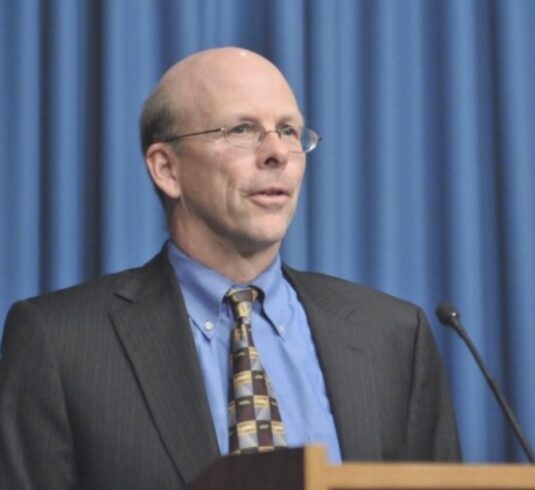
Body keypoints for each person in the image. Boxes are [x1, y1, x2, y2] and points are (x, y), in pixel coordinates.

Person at [0, 47, 461, 490]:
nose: (276, 152)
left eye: (288, 130)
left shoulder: (394, 337)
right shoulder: (61, 344)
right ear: (167, 169)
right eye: (242, 129)